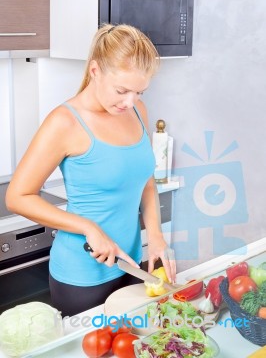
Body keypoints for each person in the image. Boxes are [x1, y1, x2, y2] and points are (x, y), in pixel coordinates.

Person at [6, 23, 176, 317]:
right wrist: (88, 227)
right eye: (122, 90)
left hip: (132, 263)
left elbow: (145, 181)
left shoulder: (137, 111)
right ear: (95, 71)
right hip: (82, 276)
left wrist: (157, 236)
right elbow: (18, 196)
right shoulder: (64, 122)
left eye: (139, 91)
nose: (130, 102)